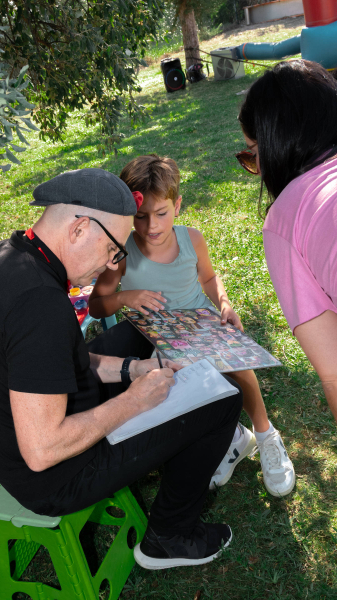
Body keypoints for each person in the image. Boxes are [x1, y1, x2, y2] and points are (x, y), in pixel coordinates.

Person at [0, 168, 243, 571]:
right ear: (78, 230)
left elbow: (65, 359)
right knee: (224, 402)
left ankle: (155, 399)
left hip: (15, 440)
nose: (113, 262)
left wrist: (134, 369)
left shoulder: (7, 256)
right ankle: (169, 536)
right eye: (114, 249)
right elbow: (42, 451)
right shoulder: (40, 305)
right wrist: (133, 402)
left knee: (139, 334)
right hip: (53, 476)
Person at [89, 155, 295, 497]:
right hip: (161, 340)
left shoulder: (191, 239)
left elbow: (210, 278)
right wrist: (126, 298)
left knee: (238, 368)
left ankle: (266, 434)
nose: (151, 226)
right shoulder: (122, 254)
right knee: (180, 398)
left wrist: (224, 304)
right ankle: (233, 440)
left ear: (178, 206)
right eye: (140, 217)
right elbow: (97, 304)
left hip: (202, 324)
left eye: (161, 213)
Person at [237, 59, 337, 423]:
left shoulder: (286, 217)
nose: (258, 169)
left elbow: (335, 373)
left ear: (276, 145)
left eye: (253, 154)